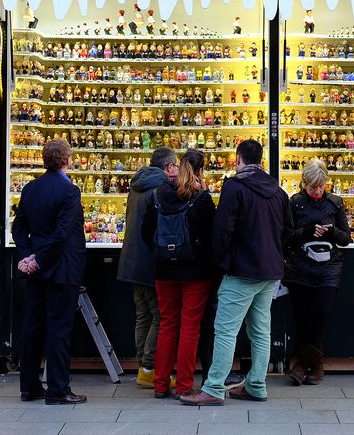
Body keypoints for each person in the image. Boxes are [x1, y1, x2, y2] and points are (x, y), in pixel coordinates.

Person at [180, 140, 292, 406]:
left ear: (238, 159)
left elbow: (222, 230)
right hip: (270, 271)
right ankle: (256, 385)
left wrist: (220, 262)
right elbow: (288, 231)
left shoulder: (235, 187)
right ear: (261, 160)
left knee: (226, 330)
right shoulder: (277, 191)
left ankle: (214, 388)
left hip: (241, 270)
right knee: (261, 331)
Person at [12, 138, 87, 405]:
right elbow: (62, 233)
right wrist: (39, 259)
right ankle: (57, 389)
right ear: (67, 160)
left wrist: (27, 256)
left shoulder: (31, 189)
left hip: (35, 270)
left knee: (32, 327)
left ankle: (29, 386)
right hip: (61, 268)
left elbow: (18, 227)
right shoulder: (70, 191)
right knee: (59, 329)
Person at [142, 149, 216, 398]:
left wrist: (163, 251)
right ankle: (184, 385)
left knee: (167, 325)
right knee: (190, 327)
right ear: (200, 171)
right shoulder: (201, 198)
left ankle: (160, 384)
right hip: (195, 271)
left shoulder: (158, 195)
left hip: (164, 270)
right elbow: (212, 236)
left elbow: (146, 233)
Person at [284, 160, 351, 385]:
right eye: (314, 187)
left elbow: (346, 239)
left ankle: (304, 363)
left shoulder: (335, 203)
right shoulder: (294, 203)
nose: (317, 191)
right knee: (302, 318)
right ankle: (316, 366)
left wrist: (331, 232)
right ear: (305, 183)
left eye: (321, 187)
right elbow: (287, 237)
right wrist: (307, 232)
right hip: (300, 267)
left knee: (320, 313)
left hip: (329, 268)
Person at [117, 147, 178, 388]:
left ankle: (143, 367)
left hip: (131, 260)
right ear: (169, 166)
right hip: (149, 262)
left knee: (143, 315)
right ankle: (150, 367)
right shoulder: (159, 189)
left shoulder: (137, 185)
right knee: (161, 316)